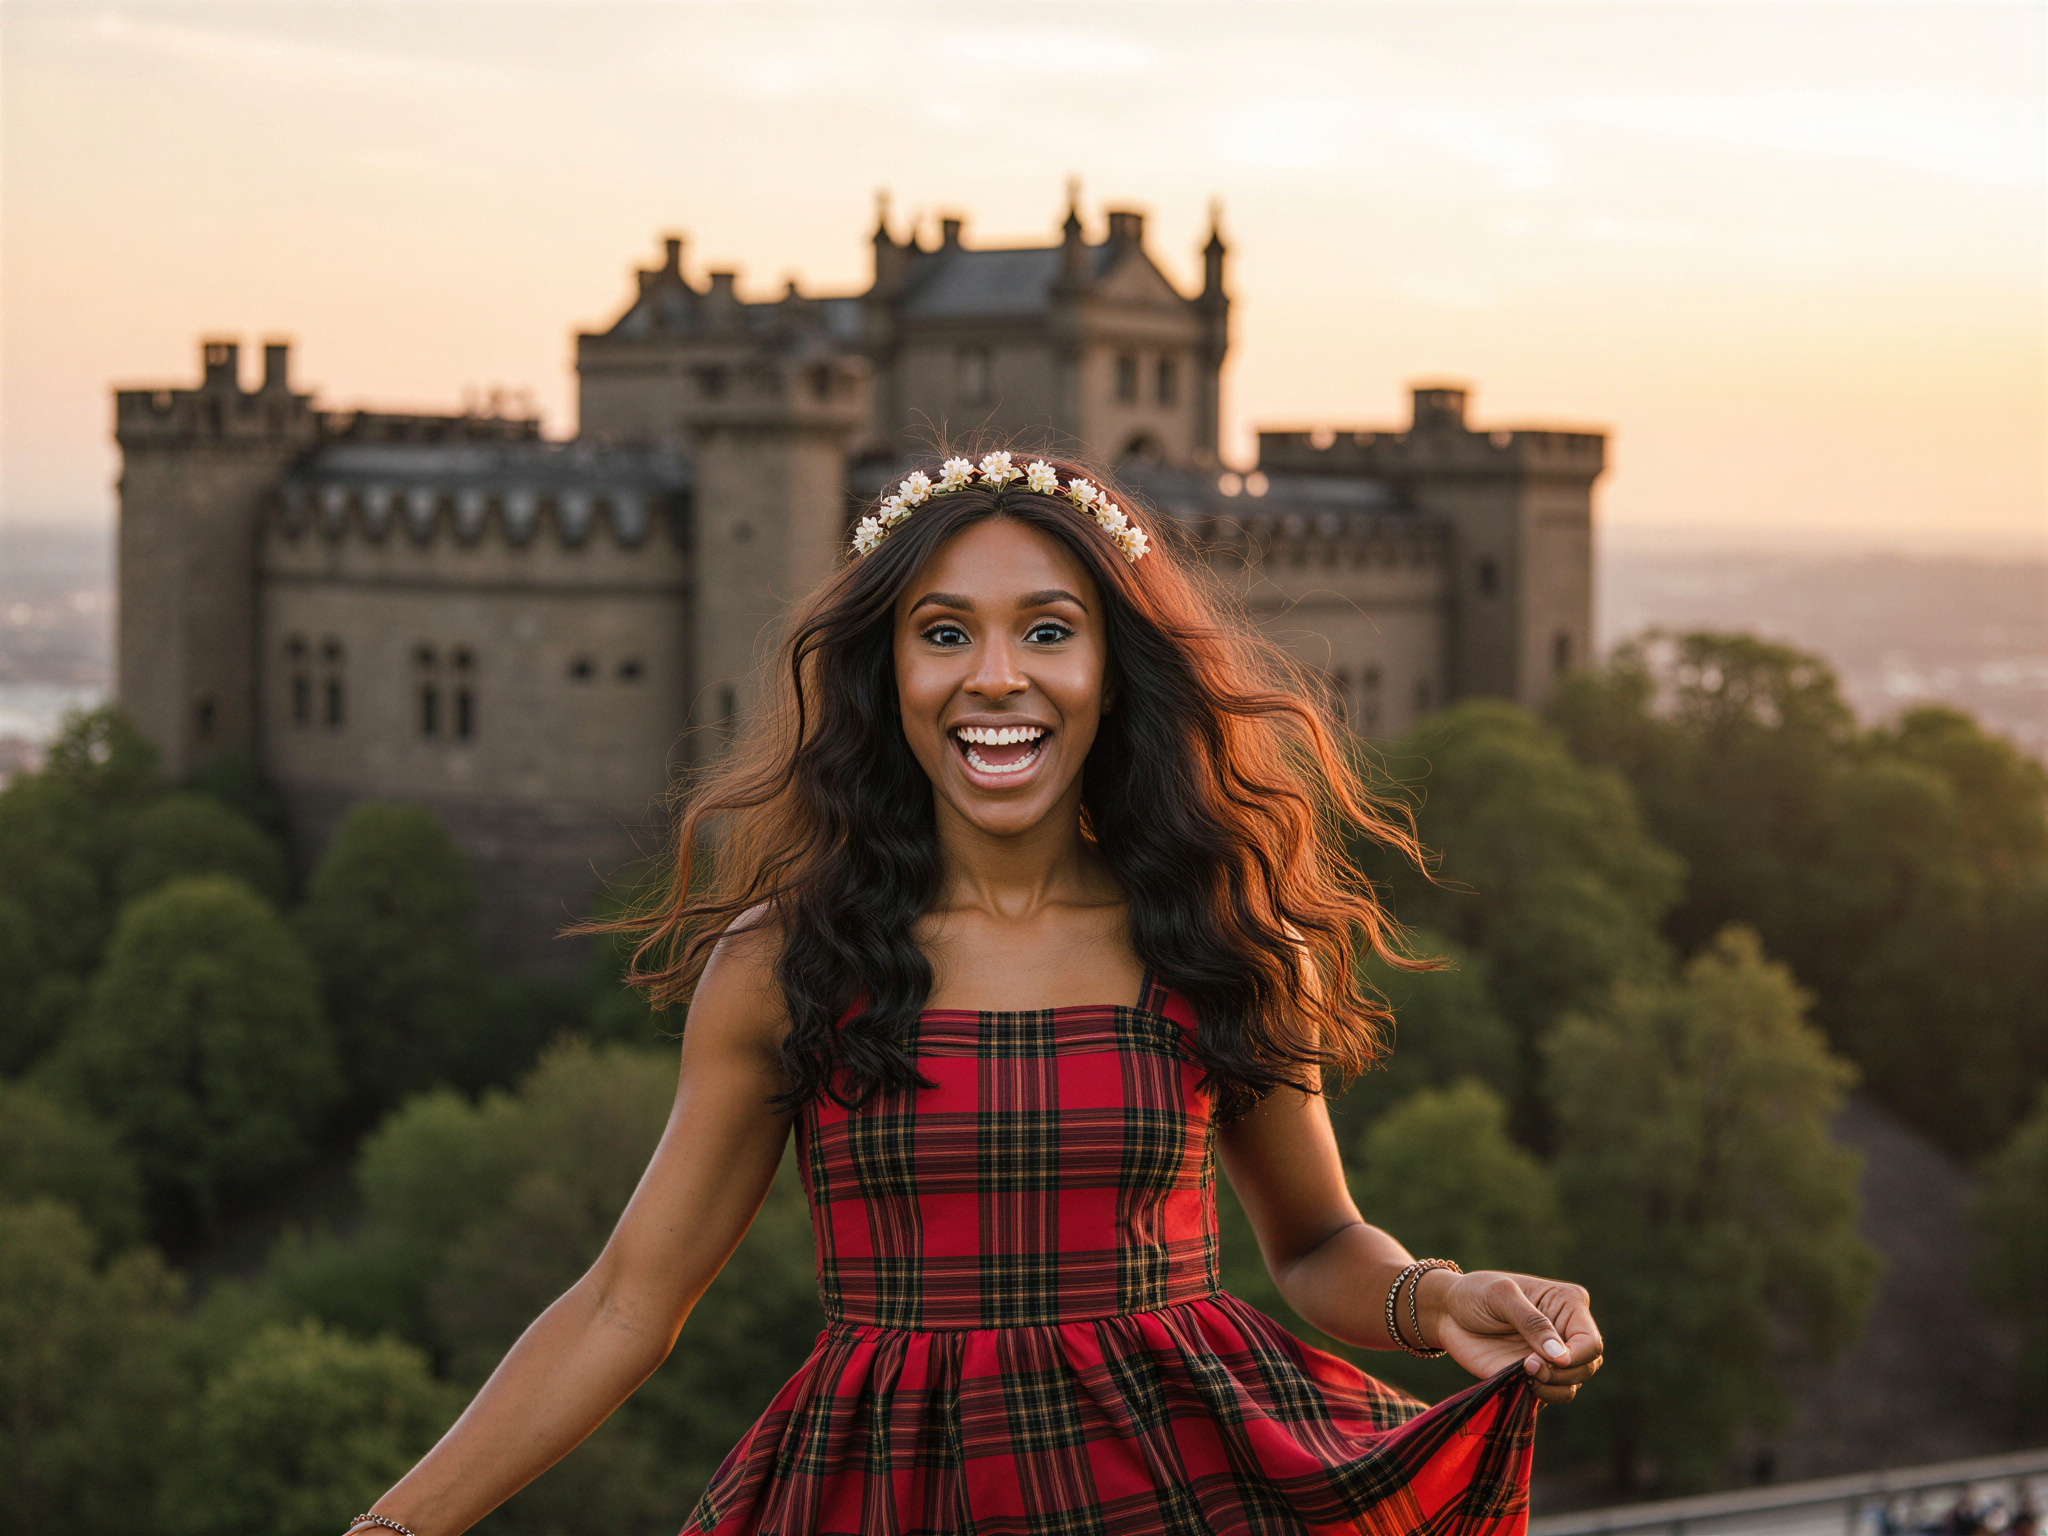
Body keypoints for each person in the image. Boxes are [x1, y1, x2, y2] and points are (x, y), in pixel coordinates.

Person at [342, 451, 1604, 1536]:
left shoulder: (1221, 935)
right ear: (885, 674)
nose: (994, 676)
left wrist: (1442, 1298)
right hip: (879, 1492)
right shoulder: (787, 965)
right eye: (944, 633)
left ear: (1114, 670)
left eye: (1047, 630)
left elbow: (1317, 1245)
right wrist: (395, 1527)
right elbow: (627, 1302)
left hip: (1173, 1487)